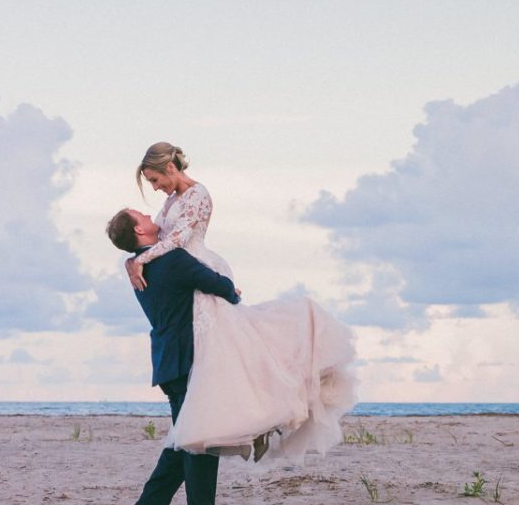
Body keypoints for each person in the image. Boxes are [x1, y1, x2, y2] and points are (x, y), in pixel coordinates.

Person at [120, 143, 358, 463]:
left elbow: (177, 239)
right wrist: (132, 260)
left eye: (154, 179)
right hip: (182, 275)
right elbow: (163, 241)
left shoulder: (197, 194)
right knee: (226, 361)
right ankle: (241, 425)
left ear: (170, 169)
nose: (155, 188)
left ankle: (255, 422)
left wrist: (140, 259)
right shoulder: (172, 200)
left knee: (231, 353)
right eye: (150, 182)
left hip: (196, 268)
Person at [108, 207, 250, 505]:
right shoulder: (170, 261)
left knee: (185, 439)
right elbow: (220, 286)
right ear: (140, 232)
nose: (148, 214)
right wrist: (233, 290)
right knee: (201, 441)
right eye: (141, 216)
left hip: (169, 361)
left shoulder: (141, 265)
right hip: (189, 360)